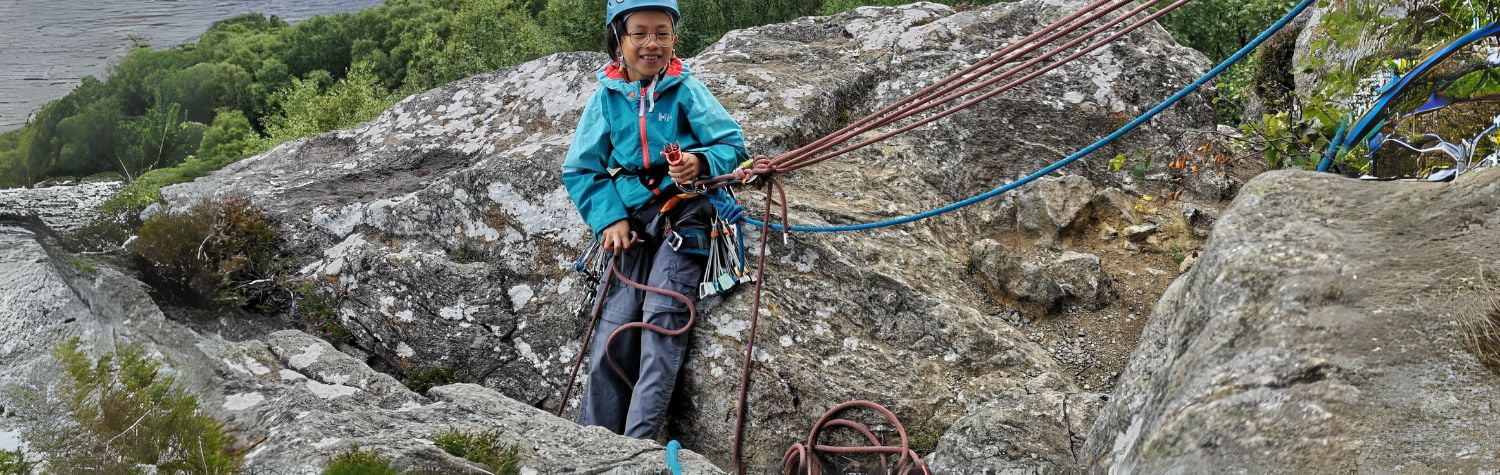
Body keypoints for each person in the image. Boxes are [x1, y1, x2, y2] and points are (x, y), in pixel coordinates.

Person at [560, 0, 748, 438]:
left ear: (674, 39)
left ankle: (636, 446)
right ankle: (594, 443)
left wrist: (698, 163)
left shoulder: (686, 90)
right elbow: (581, 169)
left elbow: (731, 146)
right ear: (618, 40)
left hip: (688, 212)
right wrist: (609, 220)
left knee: (663, 317)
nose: (652, 43)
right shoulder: (606, 98)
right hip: (634, 220)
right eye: (640, 33)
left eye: (662, 33)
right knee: (616, 328)